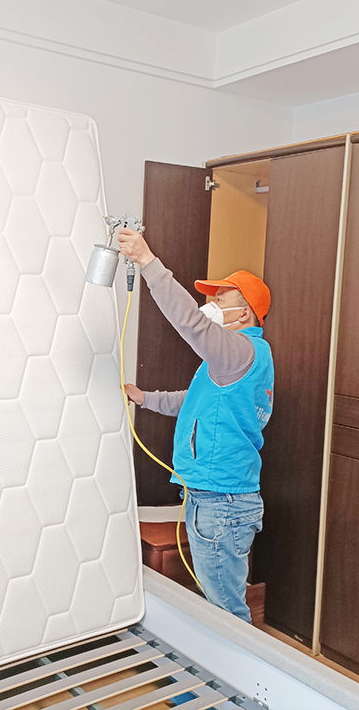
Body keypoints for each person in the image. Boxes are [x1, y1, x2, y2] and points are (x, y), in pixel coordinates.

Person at [119, 227, 274, 623]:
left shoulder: (240, 351)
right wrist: (145, 398)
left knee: (226, 611)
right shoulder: (233, 361)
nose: (211, 304)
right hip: (215, 496)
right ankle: (226, 661)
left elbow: (191, 322)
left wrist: (147, 261)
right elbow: (194, 403)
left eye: (221, 299)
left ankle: (238, 665)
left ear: (244, 314)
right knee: (220, 602)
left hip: (221, 501)